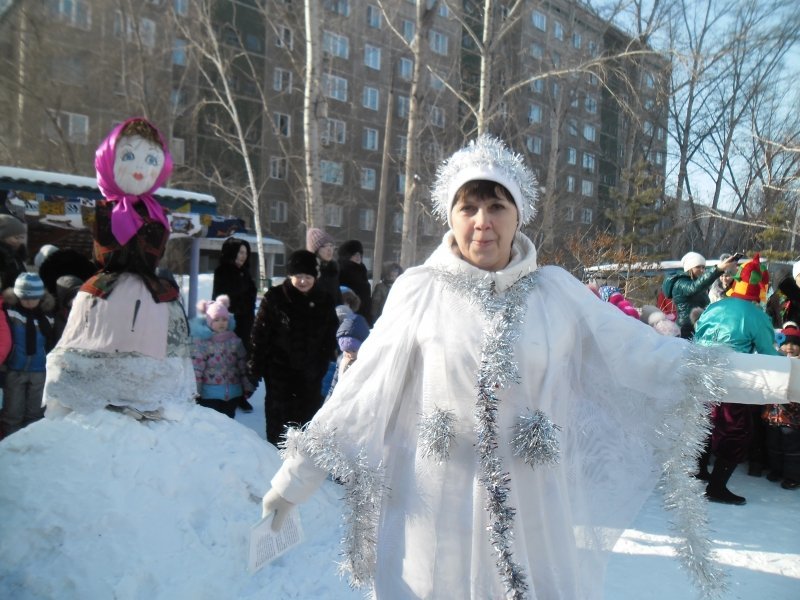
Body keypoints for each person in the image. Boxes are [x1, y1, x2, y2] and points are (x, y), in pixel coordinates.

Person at [259, 136, 799, 599]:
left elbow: (653, 357)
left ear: (518, 214)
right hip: (433, 503)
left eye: (496, 206)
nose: (482, 222)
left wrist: (785, 378)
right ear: (450, 215)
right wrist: (292, 481)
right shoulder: (418, 291)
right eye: (468, 208)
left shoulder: (556, 293)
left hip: (533, 503)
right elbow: (361, 394)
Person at [43, 117, 196, 420]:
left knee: (154, 351)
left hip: (147, 296)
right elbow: (111, 253)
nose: (140, 166)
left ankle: (149, 400)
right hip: (106, 293)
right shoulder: (104, 210)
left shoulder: (157, 215)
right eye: (128, 155)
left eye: (150, 159)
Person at [693, 254, 779, 504]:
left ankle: (699, 471)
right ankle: (717, 487)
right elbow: (768, 355)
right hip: (729, 381)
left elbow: (699, 335)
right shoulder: (756, 315)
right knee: (738, 432)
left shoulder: (715, 306)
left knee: (702, 425)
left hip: (698, 374)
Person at [248, 250, 338, 445]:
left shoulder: (324, 300)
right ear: (290, 275)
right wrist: (256, 366)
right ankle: (274, 459)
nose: (303, 281)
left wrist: (324, 361)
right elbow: (260, 333)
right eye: (299, 276)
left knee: (307, 422)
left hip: (311, 374)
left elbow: (331, 334)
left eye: (308, 276)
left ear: (315, 277)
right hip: (280, 373)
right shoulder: (275, 298)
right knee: (279, 423)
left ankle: (302, 463)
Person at [0, 273, 55, 436]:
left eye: (33, 298)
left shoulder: (47, 317)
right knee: (12, 410)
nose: (29, 302)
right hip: (15, 369)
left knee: (35, 411)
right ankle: (9, 443)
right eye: (24, 298)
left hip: (39, 371)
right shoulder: (10, 313)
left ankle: (32, 443)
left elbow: (52, 340)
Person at [212, 237, 257, 413]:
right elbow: (220, 298)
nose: (243, 256)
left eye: (245, 253)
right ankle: (225, 395)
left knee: (242, 361)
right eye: (239, 252)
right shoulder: (223, 271)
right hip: (229, 322)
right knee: (227, 361)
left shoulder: (245, 272)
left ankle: (240, 396)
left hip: (246, 323)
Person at [190, 295, 254, 419]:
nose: (221, 323)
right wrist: (195, 392)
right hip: (209, 395)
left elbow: (242, 365)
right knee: (212, 426)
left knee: (229, 425)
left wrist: (247, 386)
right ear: (209, 322)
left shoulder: (234, 340)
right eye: (216, 320)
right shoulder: (203, 343)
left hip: (232, 393)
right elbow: (197, 370)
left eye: (224, 319)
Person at [667, 251, 738, 338]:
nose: (702, 270)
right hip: (686, 329)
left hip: (698, 326)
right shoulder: (680, 283)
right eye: (698, 267)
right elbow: (695, 287)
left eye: (703, 267)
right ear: (690, 267)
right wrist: (718, 269)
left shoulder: (696, 283)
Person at [763, 322, 800, 490]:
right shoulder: (774, 361)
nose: (789, 348)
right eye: (785, 344)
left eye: (794, 344)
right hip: (772, 414)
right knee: (774, 445)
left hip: (793, 417)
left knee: (791, 448)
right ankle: (776, 470)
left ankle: (792, 476)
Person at [324, 309, 370, 403]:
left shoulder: (367, 362)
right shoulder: (342, 360)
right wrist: (327, 405)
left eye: (354, 350)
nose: (350, 354)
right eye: (346, 351)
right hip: (340, 402)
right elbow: (333, 387)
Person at [338, 239, 372, 325]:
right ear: (347, 255)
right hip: (348, 314)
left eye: (360, 254)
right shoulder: (341, 269)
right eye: (354, 254)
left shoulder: (362, 269)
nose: (358, 256)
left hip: (364, 313)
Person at [306, 228, 342, 306]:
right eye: (324, 246)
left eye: (331, 246)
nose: (329, 249)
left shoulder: (333, 270)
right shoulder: (307, 271)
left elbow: (338, 298)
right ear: (315, 250)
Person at [0, 214, 27, 292]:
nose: (19, 241)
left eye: (21, 237)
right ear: (2, 237)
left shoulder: (16, 256)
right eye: (16, 237)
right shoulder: (3, 257)